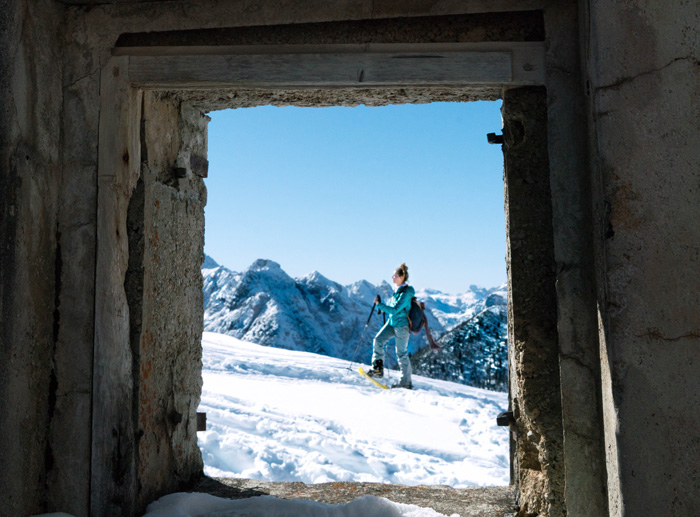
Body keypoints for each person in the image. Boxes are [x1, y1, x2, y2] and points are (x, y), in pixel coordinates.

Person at [367, 263, 414, 389]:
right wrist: (382, 306)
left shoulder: (405, 294)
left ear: (401, 277)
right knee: (378, 340)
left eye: (394, 275)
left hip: (402, 326)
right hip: (392, 323)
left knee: (401, 353)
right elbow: (393, 310)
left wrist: (379, 305)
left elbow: (394, 309)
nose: (392, 277)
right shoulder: (398, 291)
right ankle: (377, 370)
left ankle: (406, 382)